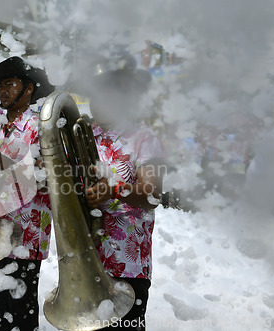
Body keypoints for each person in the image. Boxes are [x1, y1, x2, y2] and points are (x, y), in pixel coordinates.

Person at [80, 54, 165, 330]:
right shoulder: (83, 133)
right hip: (87, 260)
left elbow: (152, 195)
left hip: (127, 264)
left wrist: (115, 189)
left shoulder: (144, 137)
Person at [0, 56, 55, 331]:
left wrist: (2, 169)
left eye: (10, 83)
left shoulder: (41, 126)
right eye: (0, 86)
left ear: (29, 88)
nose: (2, 91)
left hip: (26, 233)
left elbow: (50, 178)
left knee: (21, 313)